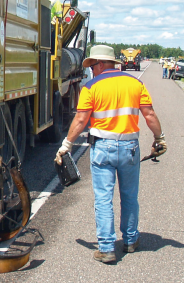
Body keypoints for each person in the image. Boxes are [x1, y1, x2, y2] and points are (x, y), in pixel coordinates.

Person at [55, 45, 166, 264]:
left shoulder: (91, 87)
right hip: (129, 149)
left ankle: (106, 248)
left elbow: (80, 120)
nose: (91, 71)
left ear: (102, 64)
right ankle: (131, 240)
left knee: (104, 199)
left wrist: (66, 145)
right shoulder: (136, 84)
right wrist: (159, 138)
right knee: (129, 196)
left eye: (93, 65)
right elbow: (149, 114)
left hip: (103, 149)